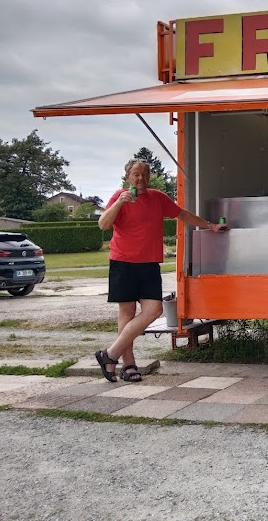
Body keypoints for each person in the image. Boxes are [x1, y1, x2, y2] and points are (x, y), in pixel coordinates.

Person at [94, 158, 227, 383]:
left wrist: (210, 225)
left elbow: (182, 214)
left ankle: (110, 354)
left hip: (149, 264)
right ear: (127, 177)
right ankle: (128, 365)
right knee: (126, 314)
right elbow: (103, 225)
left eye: (145, 174)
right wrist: (119, 203)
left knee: (154, 310)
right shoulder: (120, 197)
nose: (141, 178)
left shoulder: (157, 197)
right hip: (123, 263)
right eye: (136, 174)